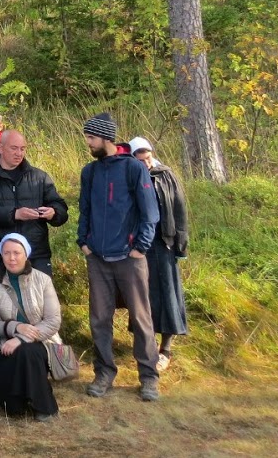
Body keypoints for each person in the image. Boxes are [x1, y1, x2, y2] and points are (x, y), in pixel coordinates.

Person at [78, 113, 161, 402]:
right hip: (97, 258)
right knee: (100, 319)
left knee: (141, 319)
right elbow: (85, 210)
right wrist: (84, 242)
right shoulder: (89, 172)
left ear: (105, 138)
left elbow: (150, 213)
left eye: (91, 137)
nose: (88, 143)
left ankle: (148, 377)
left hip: (129, 258)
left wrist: (140, 248)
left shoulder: (133, 168)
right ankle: (104, 373)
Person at [0, 130, 69, 278]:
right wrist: (15, 214)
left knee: (41, 294)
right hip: (0, 255)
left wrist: (53, 213)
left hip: (36, 254)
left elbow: (60, 207)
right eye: (14, 148)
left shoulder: (40, 177)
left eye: (22, 149)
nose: (19, 153)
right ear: (1, 148)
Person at [129, 136, 189, 373]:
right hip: (139, 246)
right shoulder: (129, 177)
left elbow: (179, 208)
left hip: (164, 244)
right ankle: (148, 344)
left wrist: (181, 244)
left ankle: (166, 349)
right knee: (143, 295)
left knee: (167, 295)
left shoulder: (165, 175)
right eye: (140, 160)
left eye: (148, 158)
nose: (146, 164)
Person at [0, 233, 62, 422]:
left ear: (26, 254)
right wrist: (16, 327)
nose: (12, 258)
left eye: (17, 253)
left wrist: (21, 339)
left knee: (28, 351)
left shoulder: (43, 280)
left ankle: (45, 407)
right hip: (6, 345)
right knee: (11, 408)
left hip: (42, 342)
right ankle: (19, 400)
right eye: (7, 253)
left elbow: (53, 320)